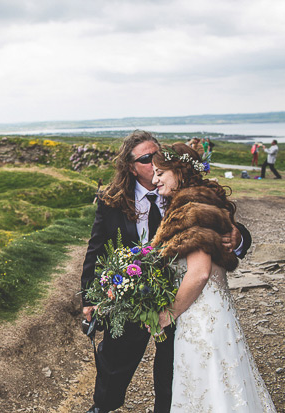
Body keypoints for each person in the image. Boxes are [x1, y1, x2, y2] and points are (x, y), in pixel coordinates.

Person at [80, 130, 251, 413]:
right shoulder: (112, 200)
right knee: (115, 355)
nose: (153, 165)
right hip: (133, 293)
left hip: (182, 297)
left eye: (157, 157)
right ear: (131, 166)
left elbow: (219, 221)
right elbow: (95, 249)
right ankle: (103, 406)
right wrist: (88, 298)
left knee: (173, 366)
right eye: (146, 159)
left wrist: (237, 237)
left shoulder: (186, 193)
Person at [150, 143, 276, 411]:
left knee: (206, 389)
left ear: (179, 172)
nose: (154, 179)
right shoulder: (199, 200)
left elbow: (199, 273)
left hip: (199, 317)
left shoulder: (191, 209)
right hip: (215, 313)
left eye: (160, 172)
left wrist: (166, 315)